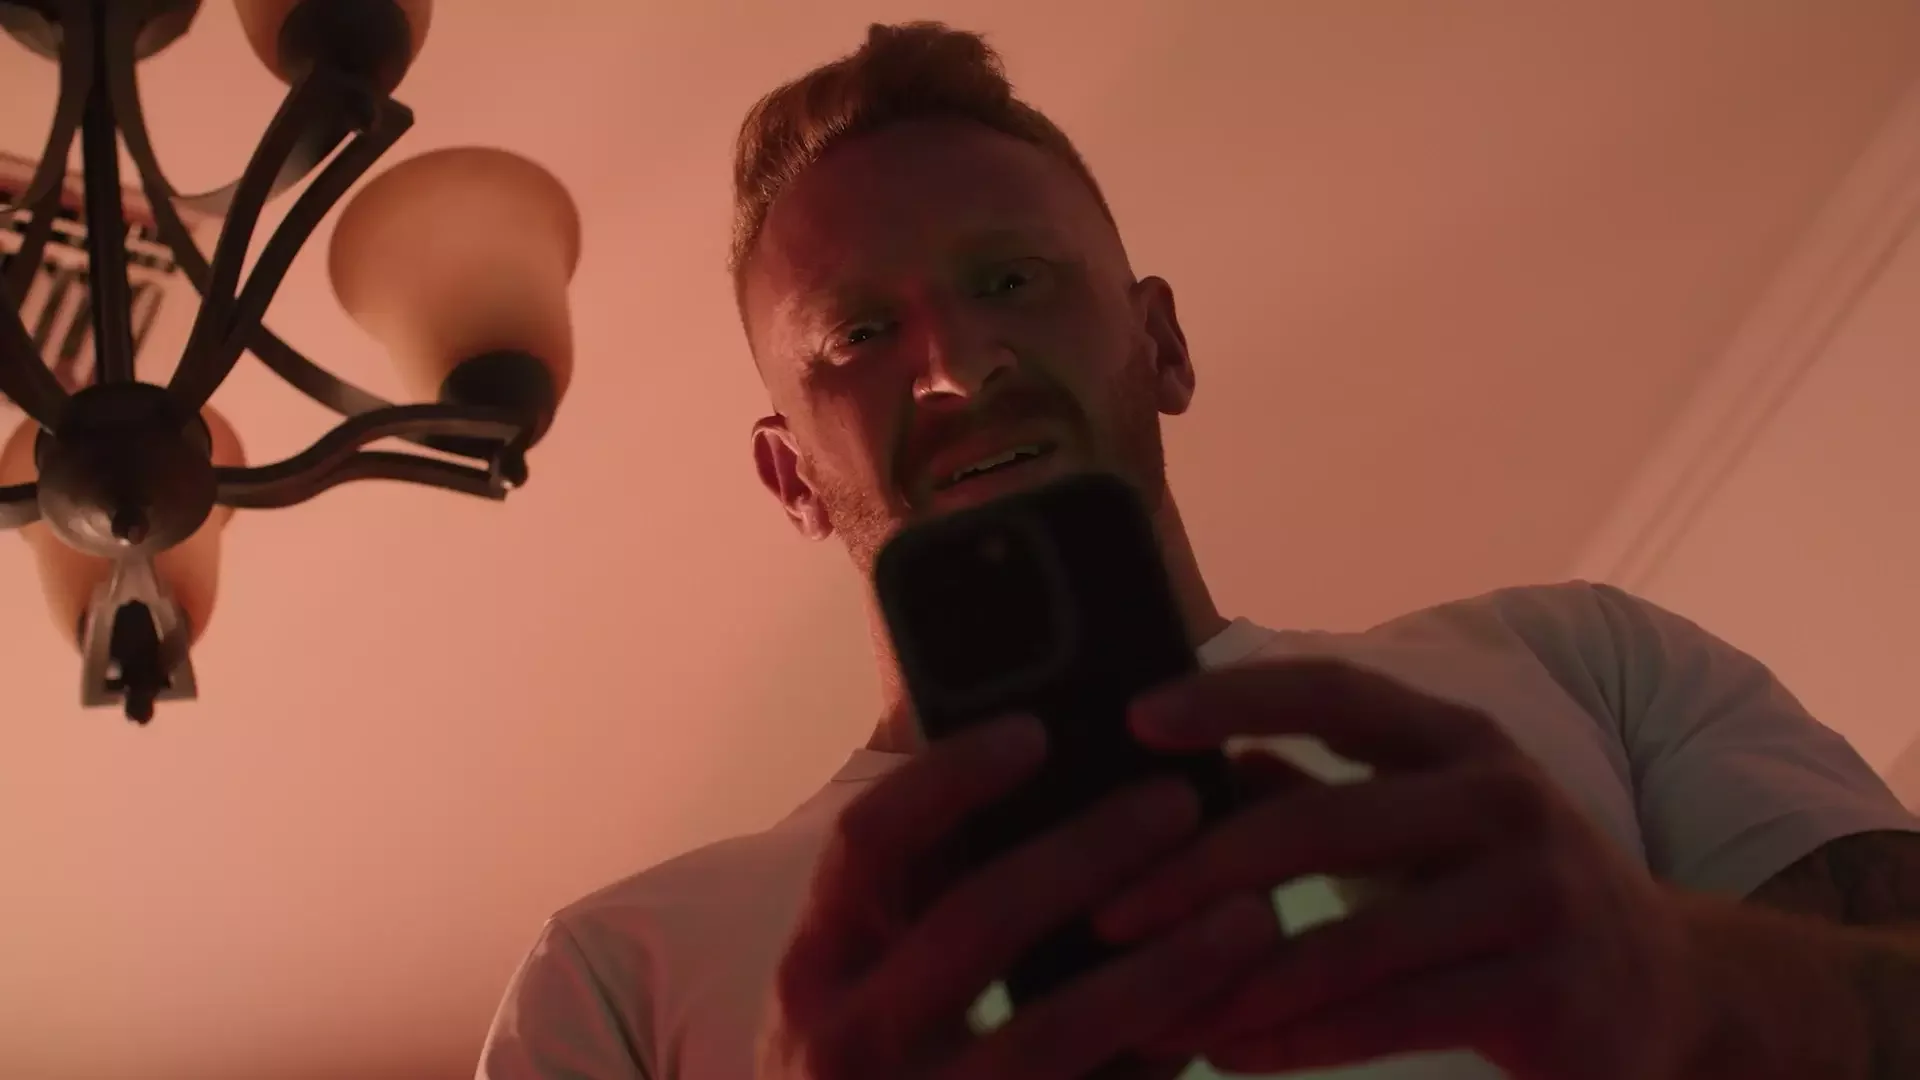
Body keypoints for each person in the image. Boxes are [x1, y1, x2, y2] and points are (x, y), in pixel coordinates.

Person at [476, 22, 1920, 1080]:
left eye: (1011, 278)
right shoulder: (616, 971)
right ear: (789, 475)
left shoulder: (1587, 666)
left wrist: (1687, 983)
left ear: (1161, 342)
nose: (959, 369)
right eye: (857, 334)